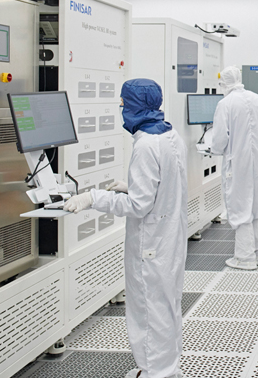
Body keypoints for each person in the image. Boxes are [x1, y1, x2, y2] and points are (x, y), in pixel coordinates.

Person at [64, 78, 188, 378]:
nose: (121, 108)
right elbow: (164, 186)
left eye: (123, 103)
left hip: (152, 244)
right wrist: (131, 187)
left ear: (132, 105)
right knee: (166, 305)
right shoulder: (169, 134)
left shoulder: (145, 144)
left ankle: (155, 372)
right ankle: (166, 369)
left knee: (149, 309)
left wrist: (94, 198)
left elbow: (139, 206)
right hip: (170, 237)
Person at [211, 66, 258, 270]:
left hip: (237, 163)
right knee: (257, 206)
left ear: (223, 83)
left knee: (240, 206)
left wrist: (215, 149)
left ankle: (244, 257)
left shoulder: (225, 104)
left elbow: (219, 140)